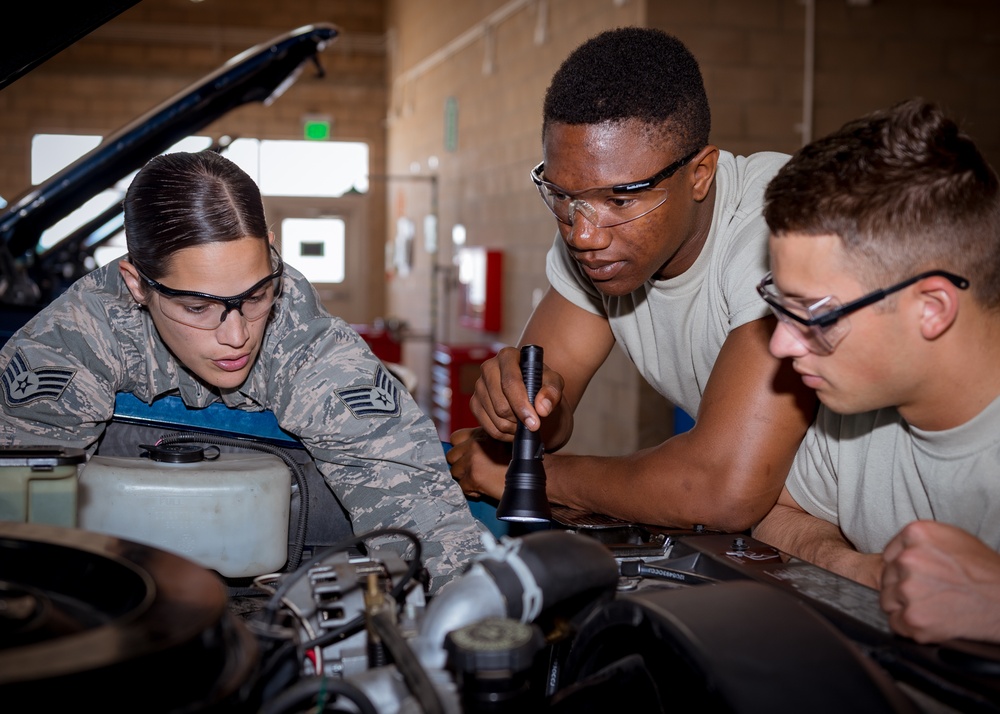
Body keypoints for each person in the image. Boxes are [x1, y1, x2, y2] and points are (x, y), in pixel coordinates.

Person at [0, 149, 484, 593]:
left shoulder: (304, 340)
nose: (236, 335)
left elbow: (420, 508)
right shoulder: (79, 335)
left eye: (254, 297)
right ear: (136, 284)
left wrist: (468, 609)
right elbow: (15, 511)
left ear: (270, 250)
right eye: (196, 307)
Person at [447, 27, 815, 532]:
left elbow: (721, 490)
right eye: (563, 196)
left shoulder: (778, 226)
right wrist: (514, 411)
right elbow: (546, 412)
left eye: (620, 200)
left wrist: (531, 476)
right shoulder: (599, 240)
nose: (583, 234)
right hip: (795, 512)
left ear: (700, 174)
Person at [751, 98, 1000, 644]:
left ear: (931, 308)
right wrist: (856, 569)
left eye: (814, 313)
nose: (782, 342)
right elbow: (775, 510)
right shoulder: (854, 402)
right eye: (780, 304)